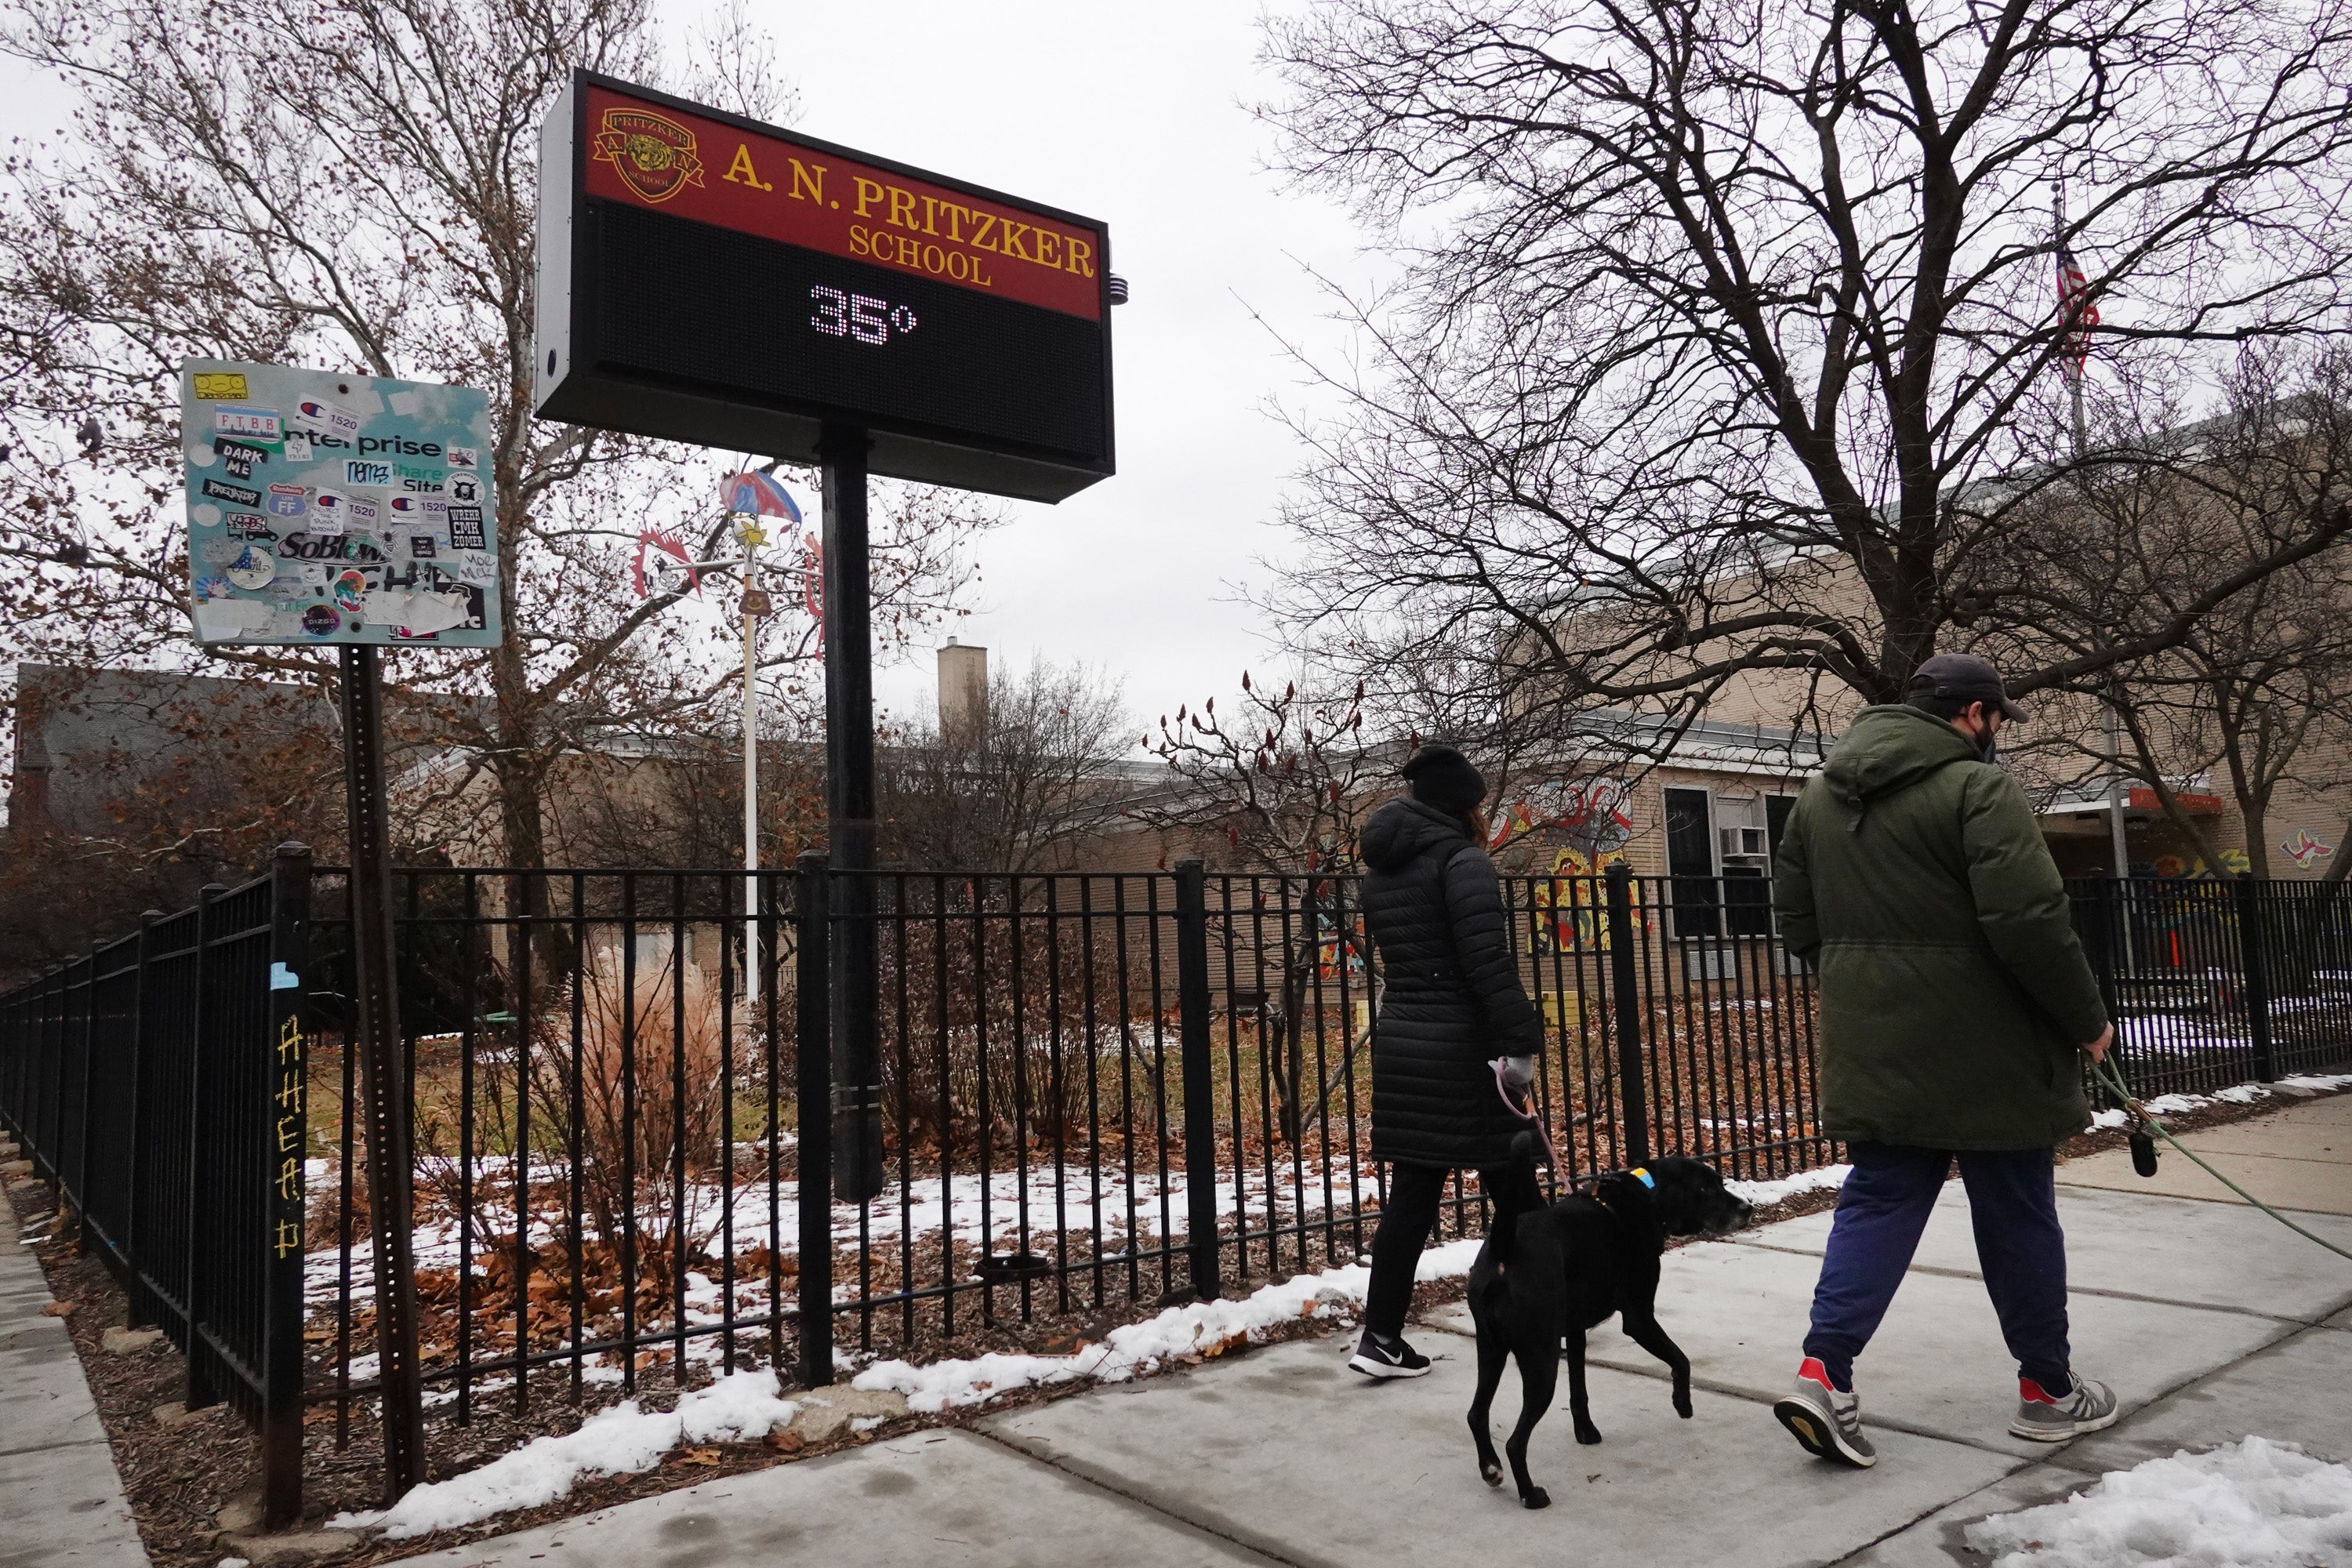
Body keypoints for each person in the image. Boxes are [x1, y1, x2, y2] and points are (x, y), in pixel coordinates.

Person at [1769, 652, 2120, 1467]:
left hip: (1877, 1038)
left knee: (1879, 1197)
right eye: (1997, 718)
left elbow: (1795, 915)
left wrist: (1864, 980)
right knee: (2018, 1210)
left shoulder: (1819, 796)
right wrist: (2086, 1018)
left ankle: (1824, 1373)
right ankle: (2046, 1391)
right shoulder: (1977, 789)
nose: (1997, 734)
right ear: (1974, 715)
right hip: (1991, 1047)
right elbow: (2029, 918)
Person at [1349, 743, 1546, 1379]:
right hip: (1468, 1050)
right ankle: (1547, 1316)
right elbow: (1487, 965)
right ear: (1463, 806)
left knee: (1410, 1199)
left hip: (1407, 1040)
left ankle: (1379, 1338)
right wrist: (1521, 1045)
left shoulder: (1384, 868)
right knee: (1517, 1190)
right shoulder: (1464, 863)